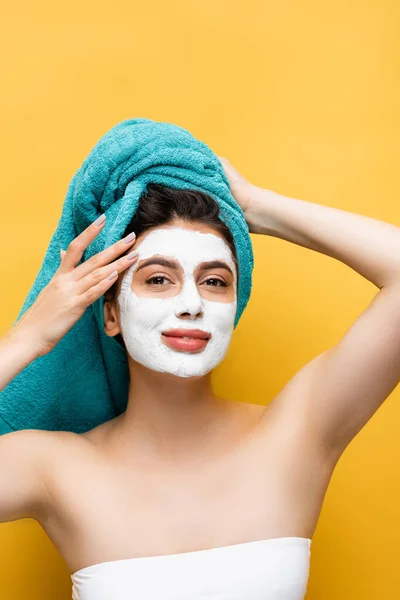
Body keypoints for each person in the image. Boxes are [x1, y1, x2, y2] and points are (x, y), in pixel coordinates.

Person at [1, 157, 400, 600]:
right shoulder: (53, 468)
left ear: (233, 307)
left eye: (214, 281)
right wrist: (28, 339)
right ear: (110, 314)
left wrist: (256, 206)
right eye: (158, 279)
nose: (191, 303)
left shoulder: (295, 435)